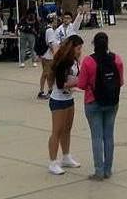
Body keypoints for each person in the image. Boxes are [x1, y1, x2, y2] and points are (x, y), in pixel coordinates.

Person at [78, 32, 124, 181]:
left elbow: (81, 84)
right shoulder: (116, 59)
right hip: (112, 101)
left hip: (93, 101)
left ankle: (99, 170)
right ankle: (108, 169)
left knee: (96, 137)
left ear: (93, 44)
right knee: (109, 136)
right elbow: (120, 81)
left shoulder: (88, 61)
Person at [47, 34, 84, 176]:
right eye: (78, 48)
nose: (80, 51)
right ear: (72, 48)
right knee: (56, 131)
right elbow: (62, 84)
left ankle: (66, 156)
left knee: (67, 129)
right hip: (58, 100)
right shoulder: (62, 62)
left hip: (69, 99)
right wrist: (80, 81)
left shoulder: (74, 61)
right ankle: (52, 162)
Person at [38, 11, 82, 99]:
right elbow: (54, 42)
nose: (66, 20)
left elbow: (77, 23)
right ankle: (48, 89)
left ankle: (64, 86)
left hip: (71, 53)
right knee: (53, 72)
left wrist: (80, 14)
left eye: (68, 18)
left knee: (72, 70)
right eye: (65, 18)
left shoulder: (72, 27)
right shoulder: (58, 30)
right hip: (60, 53)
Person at [36, 15, 56, 99]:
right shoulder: (50, 30)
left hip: (43, 54)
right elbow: (50, 43)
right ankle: (43, 91)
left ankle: (47, 90)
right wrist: (55, 53)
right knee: (47, 74)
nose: (56, 22)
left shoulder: (44, 28)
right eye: (55, 20)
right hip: (49, 55)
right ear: (52, 21)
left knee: (45, 73)